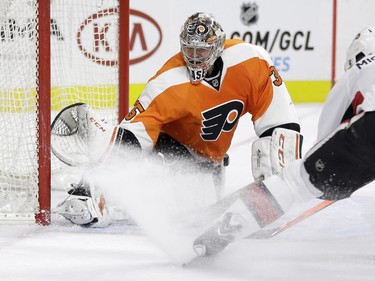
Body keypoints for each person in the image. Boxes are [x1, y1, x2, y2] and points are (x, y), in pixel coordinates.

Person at [55, 12, 302, 227]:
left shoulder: (250, 61)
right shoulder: (167, 82)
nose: (194, 57)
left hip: (211, 166)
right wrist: (97, 180)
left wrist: (282, 171)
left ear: (216, 48)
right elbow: (132, 136)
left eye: (201, 50)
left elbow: (276, 111)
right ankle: (100, 190)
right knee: (171, 207)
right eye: (189, 49)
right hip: (171, 155)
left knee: (279, 144)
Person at [193, 27, 375, 257]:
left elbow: (326, 138)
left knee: (294, 181)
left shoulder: (357, 71)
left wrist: (324, 179)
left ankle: (226, 228)